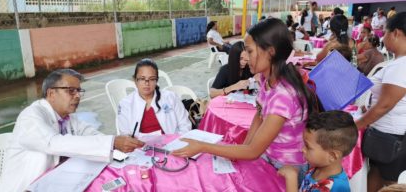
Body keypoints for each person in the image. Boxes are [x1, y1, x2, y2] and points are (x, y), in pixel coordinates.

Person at [172, 19, 320, 178]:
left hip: (286, 169)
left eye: (250, 51)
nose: (246, 57)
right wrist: (242, 148)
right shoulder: (265, 79)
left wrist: (202, 147)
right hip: (268, 156)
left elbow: (253, 151)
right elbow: (259, 115)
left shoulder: (283, 95)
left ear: (270, 52)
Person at [0, 69, 144, 192]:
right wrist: (112, 142)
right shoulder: (31, 116)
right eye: (71, 91)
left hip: (54, 183)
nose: (78, 95)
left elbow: (93, 136)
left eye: (79, 91)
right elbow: (53, 143)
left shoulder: (69, 119)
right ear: (51, 94)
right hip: (26, 187)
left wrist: (118, 141)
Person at [355, 12, 406, 192]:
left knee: (388, 182)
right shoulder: (399, 63)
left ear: (397, 33)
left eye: (385, 32)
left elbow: (385, 105)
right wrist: (368, 108)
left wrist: (357, 125)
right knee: (378, 175)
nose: (382, 37)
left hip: (390, 136)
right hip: (389, 134)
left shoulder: (400, 66)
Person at [278, 111, 358, 192]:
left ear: (332, 156)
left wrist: (291, 179)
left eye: (308, 146)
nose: (302, 149)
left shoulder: (337, 187)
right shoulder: (317, 167)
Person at [118, 58, 191, 136]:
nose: (147, 83)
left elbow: (185, 125)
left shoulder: (171, 97)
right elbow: (125, 135)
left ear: (156, 81)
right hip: (140, 146)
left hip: (172, 144)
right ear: (135, 80)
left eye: (152, 79)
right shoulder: (125, 104)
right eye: (142, 79)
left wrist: (175, 142)